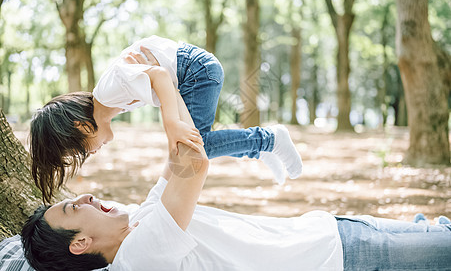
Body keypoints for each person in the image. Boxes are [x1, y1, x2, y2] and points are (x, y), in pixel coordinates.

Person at [22, 89, 451, 271]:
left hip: (332, 235)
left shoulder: (143, 219)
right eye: (74, 207)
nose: (88, 195)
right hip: (342, 256)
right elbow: (194, 162)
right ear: (80, 244)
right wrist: (160, 82)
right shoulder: (139, 257)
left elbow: (181, 156)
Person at [30, 35, 303, 203]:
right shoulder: (112, 100)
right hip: (192, 73)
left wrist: (171, 124)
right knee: (193, 148)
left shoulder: (108, 92)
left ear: (82, 126)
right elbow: (157, 76)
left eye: (82, 149)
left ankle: (268, 140)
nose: (92, 152)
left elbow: (160, 76)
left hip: (195, 71)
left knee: (195, 146)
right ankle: (259, 148)